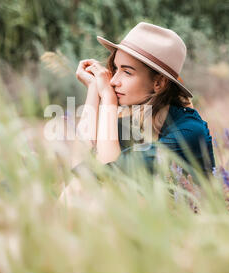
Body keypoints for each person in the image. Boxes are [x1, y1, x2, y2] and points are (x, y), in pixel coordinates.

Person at [59, 22, 215, 203]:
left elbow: (108, 174)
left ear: (159, 83)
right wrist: (94, 90)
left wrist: (108, 99)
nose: (114, 81)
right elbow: (80, 167)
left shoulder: (188, 132)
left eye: (127, 72)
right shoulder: (135, 124)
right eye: (115, 69)